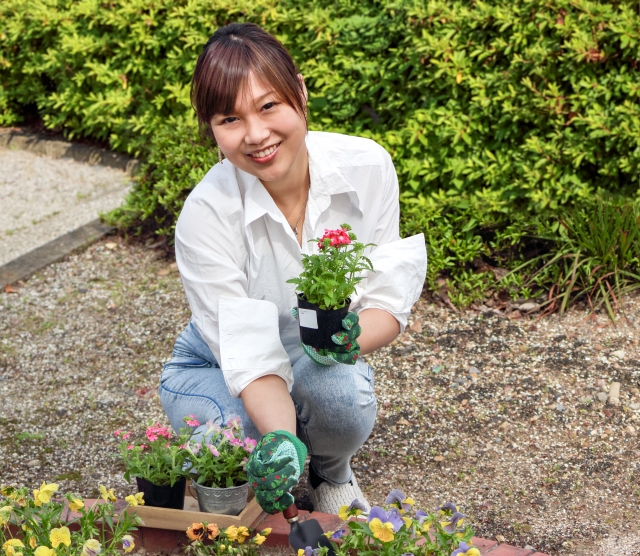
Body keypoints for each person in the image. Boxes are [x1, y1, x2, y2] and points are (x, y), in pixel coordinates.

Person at [159, 22, 427, 515]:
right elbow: (252, 357)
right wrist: (280, 439)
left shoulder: (365, 167)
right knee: (233, 438)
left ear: (299, 92)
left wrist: (345, 339)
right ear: (212, 129)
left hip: (314, 353)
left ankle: (331, 472)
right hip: (218, 363)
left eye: (268, 106)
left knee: (341, 394)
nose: (256, 135)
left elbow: (388, 296)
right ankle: (273, 457)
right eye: (229, 119)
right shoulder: (206, 214)